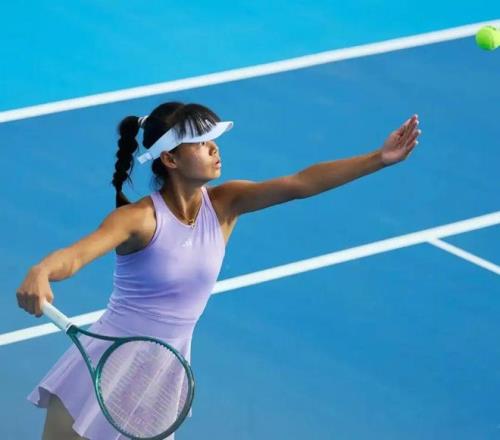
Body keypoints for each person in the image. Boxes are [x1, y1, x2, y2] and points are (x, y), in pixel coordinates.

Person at [16, 101, 421, 439]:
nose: (214, 149)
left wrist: (379, 159)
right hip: (103, 366)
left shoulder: (226, 204)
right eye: (201, 142)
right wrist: (42, 270)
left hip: (163, 378)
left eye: (213, 140)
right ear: (170, 158)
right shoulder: (139, 219)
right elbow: (77, 255)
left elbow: (299, 183)